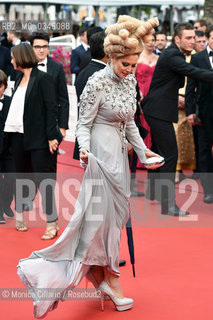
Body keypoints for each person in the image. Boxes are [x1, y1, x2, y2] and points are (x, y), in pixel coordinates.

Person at [17, 15, 159, 318]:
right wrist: (83, 150)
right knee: (96, 225)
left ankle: (102, 279)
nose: (130, 70)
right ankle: (102, 282)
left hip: (119, 158)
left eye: (134, 65)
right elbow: (83, 124)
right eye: (126, 64)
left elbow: (130, 121)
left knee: (113, 223)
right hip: (98, 159)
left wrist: (144, 153)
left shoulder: (129, 80)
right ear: (112, 56)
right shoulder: (96, 81)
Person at [141, 22, 213, 216]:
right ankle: (168, 205)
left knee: (157, 152)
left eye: (193, 37)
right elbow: (193, 72)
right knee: (170, 155)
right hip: (158, 110)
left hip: (157, 108)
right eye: (188, 38)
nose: (192, 41)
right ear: (177, 39)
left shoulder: (175, 53)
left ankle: (152, 192)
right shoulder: (173, 54)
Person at [4, 43, 62, 238]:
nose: (11, 61)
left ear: (21, 58)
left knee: (44, 181)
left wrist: (52, 136)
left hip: (39, 139)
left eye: (13, 57)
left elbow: (51, 108)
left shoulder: (43, 79)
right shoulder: (18, 77)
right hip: (17, 136)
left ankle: (52, 223)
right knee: (21, 178)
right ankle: (20, 216)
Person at [24, 33, 69, 213]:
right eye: (37, 47)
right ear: (31, 48)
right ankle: (28, 195)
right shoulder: (24, 67)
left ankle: (48, 202)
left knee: (49, 166)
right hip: (29, 126)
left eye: (44, 46)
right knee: (29, 163)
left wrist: (63, 127)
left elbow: (63, 100)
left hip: (51, 127)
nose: (41, 50)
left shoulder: (57, 68)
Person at [185, 25, 213, 204]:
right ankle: (208, 190)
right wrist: (189, 111)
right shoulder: (197, 58)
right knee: (203, 152)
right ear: (209, 38)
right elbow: (190, 87)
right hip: (204, 111)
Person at [0, 70, 14, 223]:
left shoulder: (11, 101)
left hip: (10, 149)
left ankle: (6, 204)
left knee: (10, 179)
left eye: (0, 86)